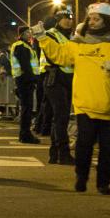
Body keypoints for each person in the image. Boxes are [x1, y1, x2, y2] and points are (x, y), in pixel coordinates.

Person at [34, 1, 110, 195]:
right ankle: (81, 177)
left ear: (106, 20)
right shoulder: (78, 42)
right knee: (84, 144)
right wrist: (42, 38)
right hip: (85, 104)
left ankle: (103, 182)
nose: (92, 22)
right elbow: (60, 56)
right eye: (90, 18)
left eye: (96, 19)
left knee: (108, 147)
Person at [38, 11, 75, 164]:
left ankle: (54, 154)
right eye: (65, 19)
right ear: (57, 20)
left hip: (67, 79)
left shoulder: (70, 36)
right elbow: (54, 55)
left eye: (70, 19)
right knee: (61, 118)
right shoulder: (51, 34)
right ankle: (63, 154)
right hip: (55, 79)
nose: (68, 21)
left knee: (59, 118)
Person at [9, 27, 40, 144]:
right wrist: (33, 79)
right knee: (27, 108)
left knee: (26, 108)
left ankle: (25, 134)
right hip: (25, 80)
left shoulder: (25, 45)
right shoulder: (21, 46)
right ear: (21, 34)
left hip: (24, 80)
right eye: (27, 33)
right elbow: (26, 65)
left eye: (30, 32)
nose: (29, 34)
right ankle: (25, 134)